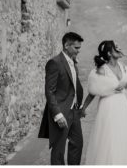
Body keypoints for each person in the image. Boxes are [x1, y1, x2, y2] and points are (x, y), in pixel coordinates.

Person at [38, 32, 84, 165]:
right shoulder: (54, 62)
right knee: (58, 150)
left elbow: (73, 86)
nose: (78, 51)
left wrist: (79, 106)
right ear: (66, 45)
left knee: (78, 144)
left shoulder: (73, 62)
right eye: (76, 48)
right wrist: (57, 114)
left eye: (79, 48)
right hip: (61, 112)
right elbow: (49, 91)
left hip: (74, 112)